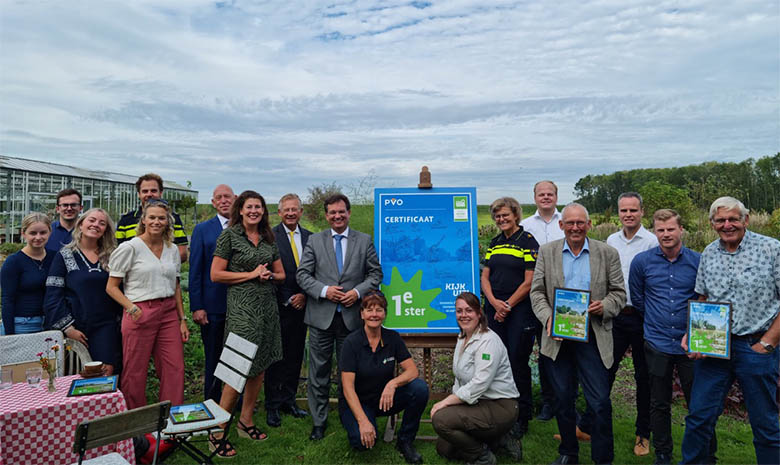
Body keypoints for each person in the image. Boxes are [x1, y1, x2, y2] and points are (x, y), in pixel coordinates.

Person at [681, 197, 780, 465]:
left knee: (765, 424)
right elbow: (703, 298)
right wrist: (694, 333)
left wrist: (768, 343)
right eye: (720, 220)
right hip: (714, 348)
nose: (727, 225)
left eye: (733, 219)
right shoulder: (709, 253)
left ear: (745, 220)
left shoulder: (771, 249)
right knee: (699, 418)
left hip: (755, 347)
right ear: (713, 224)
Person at [530, 202, 626, 465]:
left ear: (589, 224)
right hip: (558, 336)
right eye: (570, 223)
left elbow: (619, 293)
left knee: (599, 402)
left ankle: (603, 459)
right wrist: (549, 318)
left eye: (580, 223)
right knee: (562, 399)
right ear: (562, 225)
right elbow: (537, 292)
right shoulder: (547, 252)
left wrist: (604, 306)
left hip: (592, 337)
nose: (575, 227)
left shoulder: (607, 253)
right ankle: (568, 454)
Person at [630, 209, 715, 464]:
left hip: (690, 344)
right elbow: (638, 298)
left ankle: (707, 454)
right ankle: (663, 452)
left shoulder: (699, 261)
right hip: (657, 342)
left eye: (670, 229)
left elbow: (707, 298)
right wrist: (657, 322)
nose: (666, 234)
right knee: (659, 403)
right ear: (654, 232)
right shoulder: (641, 262)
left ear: (681, 230)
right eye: (660, 230)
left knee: (699, 404)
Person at [296, 193, 383, 441]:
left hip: (352, 319)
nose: (337, 216)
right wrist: (324, 291)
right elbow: (303, 275)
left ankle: (350, 416)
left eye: (341, 212)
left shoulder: (364, 241)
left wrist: (357, 293)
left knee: (351, 372)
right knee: (319, 371)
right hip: (321, 318)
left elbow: (375, 275)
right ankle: (319, 421)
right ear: (326, 215)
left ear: (349, 213)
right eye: (332, 212)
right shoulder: (314, 240)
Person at [209, 190, 285, 458]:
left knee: (260, 366)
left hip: (266, 309)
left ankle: (246, 420)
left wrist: (268, 275)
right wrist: (251, 273)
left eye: (259, 207)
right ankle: (217, 431)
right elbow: (216, 274)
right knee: (236, 368)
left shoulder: (268, 238)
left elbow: (282, 273)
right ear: (240, 210)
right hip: (242, 311)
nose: (254, 211)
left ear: (263, 211)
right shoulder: (229, 236)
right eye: (249, 206)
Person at [106, 199, 190, 410]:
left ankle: (170, 419)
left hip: (168, 312)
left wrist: (182, 319)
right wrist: (132, 308)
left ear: (167, 222)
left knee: (175, 368)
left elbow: (177, 285)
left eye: (161, 218)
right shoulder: (130, 248)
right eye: (152, 217)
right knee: (135, 371)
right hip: (140, 312)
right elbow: (112, 286)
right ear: (143, 220)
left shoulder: (172, 249)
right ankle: (136, 427)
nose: (156, 222)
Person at [595, 192, 657, 456]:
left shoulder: (652, 241)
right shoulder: (611, 240)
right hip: (616, 316)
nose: (628, 215)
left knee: (644, 377)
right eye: (624, 211)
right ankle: (590, 425)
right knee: (604, 370)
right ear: (618, 213)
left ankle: (643, 434)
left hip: (643, 317)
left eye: (633, 210)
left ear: (642, 212)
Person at [431, 292, 521, 465]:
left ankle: (482, 456)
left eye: (468, 310)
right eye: (459, 311)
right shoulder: (463, 337)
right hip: (477, 403)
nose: (463, 315)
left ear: (479, 313)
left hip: (500, 405)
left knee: (441, 420)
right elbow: (460, 379)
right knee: (444, 448)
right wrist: (452, 405)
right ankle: (498, 441)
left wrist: (445, 402)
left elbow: (480, 383)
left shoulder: (488, 341)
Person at [339, 291, 429, 464]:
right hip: (358, 402)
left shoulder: (392, 338)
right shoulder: (351, 343)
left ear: (385, 314)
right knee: (361, 442)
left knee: (419, 389)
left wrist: (392, 384)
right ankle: (365, 422)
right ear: (362, 314)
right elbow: (348, 388)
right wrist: (363, 421)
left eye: (379, 310)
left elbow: (412, 371)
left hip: (384, 399)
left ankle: (405, 441)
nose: (374, 314)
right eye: (370, 310)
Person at [480, 196, 539, 439]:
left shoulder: (528, 242)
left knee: (517, 361)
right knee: (494, 359)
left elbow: (530, 280)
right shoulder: (494, 243)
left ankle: (522, 416)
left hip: (520, 310)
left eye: (506, 214)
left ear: (516, 215)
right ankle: (498, 410)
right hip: (494, 308)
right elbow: (485, 277)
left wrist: (507, 306)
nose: (501, 219)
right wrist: (494, 304)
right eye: (497, 216)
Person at [44, 208, 122, 374]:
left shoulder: (113, 256)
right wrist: (68, 328)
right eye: (92, 220)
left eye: (102, 223)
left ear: (106, 230)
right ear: (81, 224)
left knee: (105, 373)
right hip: (76, 327)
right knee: (79, 376)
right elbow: (53, 295)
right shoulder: (65, 255)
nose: (96, 225)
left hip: (106, 327)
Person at [265, 193, 311, 427]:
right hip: (279, 305)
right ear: (280, 212)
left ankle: (289, 400)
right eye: (287, 210)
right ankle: (272, 404)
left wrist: (304, 295)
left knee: (295, 356)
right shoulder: (270, 236)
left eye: (295, 209)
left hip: (304, 306)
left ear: (300, 212)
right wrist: (288, 297)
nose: (291, 213)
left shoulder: (311, 238)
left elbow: (314, 272)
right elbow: (266, 270)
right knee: (276, 357)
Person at [519, 180, 562, 421]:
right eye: (541, 194)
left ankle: (561, 400)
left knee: (557, 352)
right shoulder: (525, 226)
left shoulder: (565, 222)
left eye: (550, 194)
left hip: (559, 296)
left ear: (556, 196)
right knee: (534, 350)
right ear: (534, 197)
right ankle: (546, 402)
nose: (545, 197)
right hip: (531, 296)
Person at [189, 184, 236, 401]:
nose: (224, 200)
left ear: (235, 199)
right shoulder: (202, 230)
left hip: (240, 306)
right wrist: (197, 306)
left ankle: (236, 400)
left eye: (228, 196)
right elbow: (196, 270)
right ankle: (213, 399)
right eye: (219, 197)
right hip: (213, 305)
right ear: (213, 202)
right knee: (214, 356)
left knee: (237, 356)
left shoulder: (245, 227)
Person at [115, 173, 188, 263]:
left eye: (153, 191)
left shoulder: (173, 218)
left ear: (160, 193)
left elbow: (182, 252)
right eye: (145, 191)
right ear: (139, 194)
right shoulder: (126, 220)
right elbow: (117, 250)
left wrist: (159, 265)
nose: (149, 194)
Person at [0, 213, 54, 335]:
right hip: (22, 324)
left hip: (49, 323)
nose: (38, 237)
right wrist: (9, 336)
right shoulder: (13, 262)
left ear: (50, 232)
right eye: (33, 233)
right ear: (23, 234)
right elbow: (7, 299)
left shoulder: (54, 258)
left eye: (43, 232)